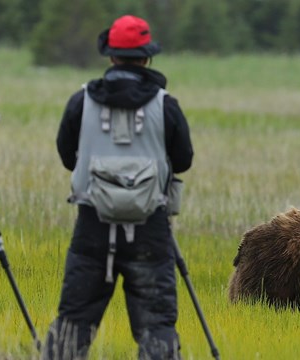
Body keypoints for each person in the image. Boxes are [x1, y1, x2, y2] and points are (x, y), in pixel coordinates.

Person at [43, 15, 194, 360]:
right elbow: (183, 160)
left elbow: (68, 156)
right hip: (150, 231)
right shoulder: (165, 104)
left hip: (92, 228)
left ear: (111, 57)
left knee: (74, 321)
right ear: (146, 58)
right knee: (156, 325)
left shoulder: (81, 102)